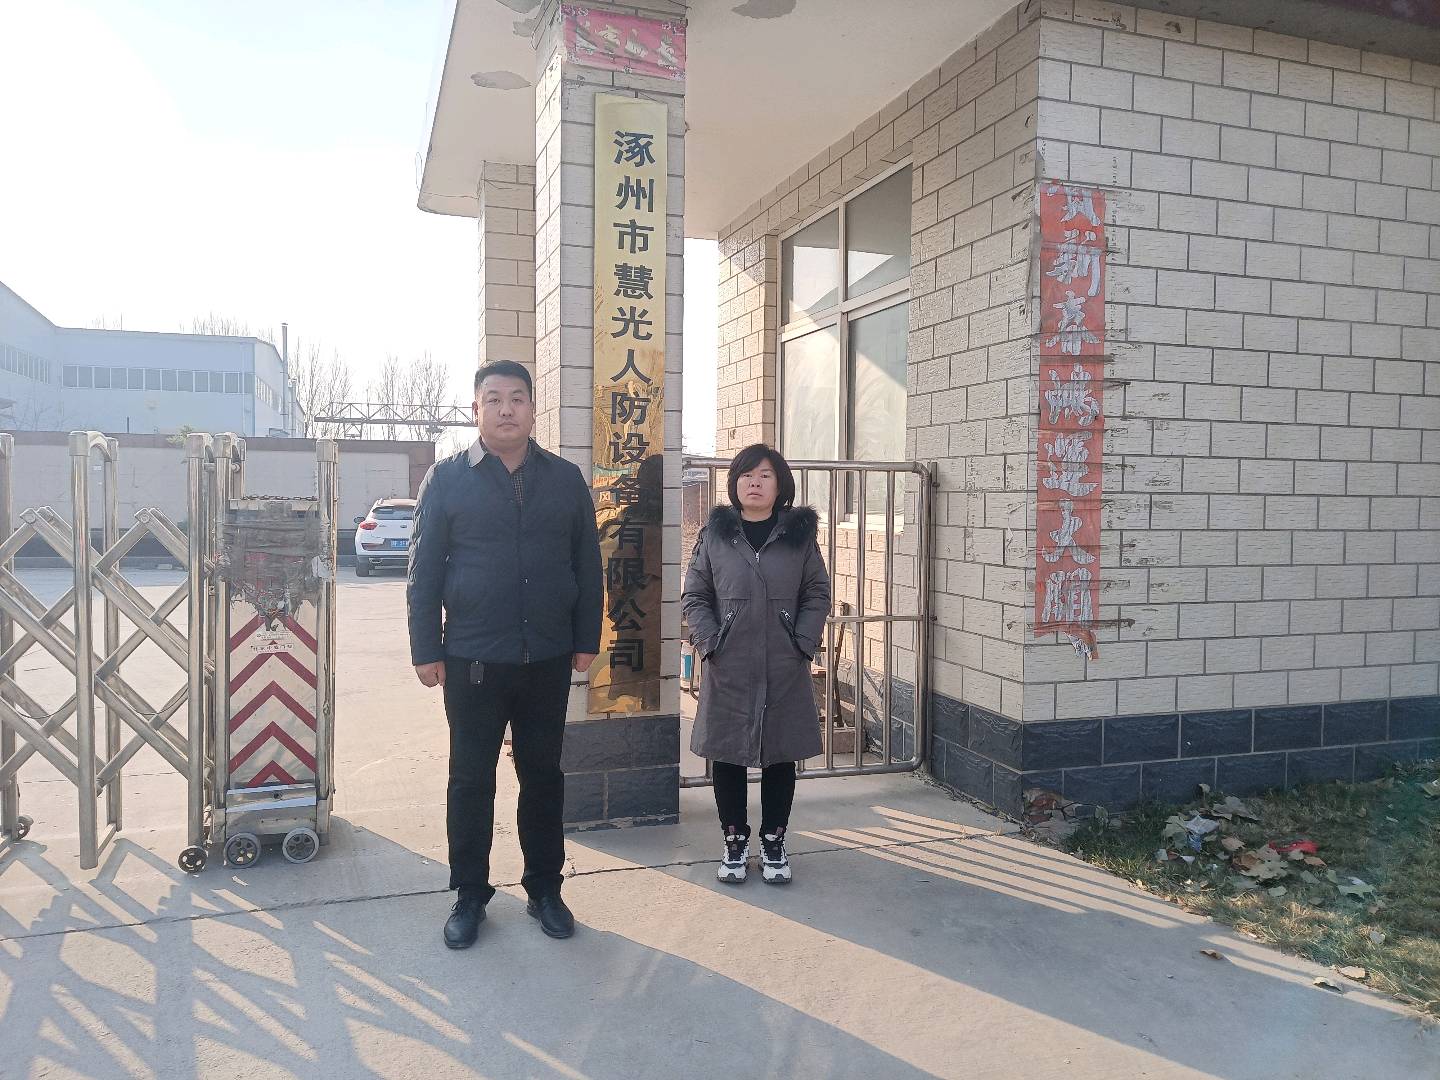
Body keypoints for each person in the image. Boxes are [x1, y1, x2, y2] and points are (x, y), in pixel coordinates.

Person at [407, 359, 603, 949]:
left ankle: (545, 888)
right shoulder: (447, 479)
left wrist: (585, 638)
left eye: (517, 398)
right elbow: (423, 571)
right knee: (470, 779)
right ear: (476, 410)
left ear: (533, 409)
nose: (506, 409)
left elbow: (587, 565)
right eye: (493, 399)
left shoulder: (564, 479)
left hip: (546, 656)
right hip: (472, 659)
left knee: (543, 776)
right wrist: (426, 648)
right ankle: (470, 893)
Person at [681, 444, 831, 884]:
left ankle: (773, 841)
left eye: (765, 475)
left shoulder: (798, 536)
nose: (755, 483)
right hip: (729, 662)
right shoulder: (716, 535)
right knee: (727, 755)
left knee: (780, 757)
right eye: (747, 475)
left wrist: (802, 643)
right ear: (734, 484)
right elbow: (695, 595)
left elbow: (817, 593)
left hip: (784, 662)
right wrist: (711, 643)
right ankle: (734, 840)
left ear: (780, 484)